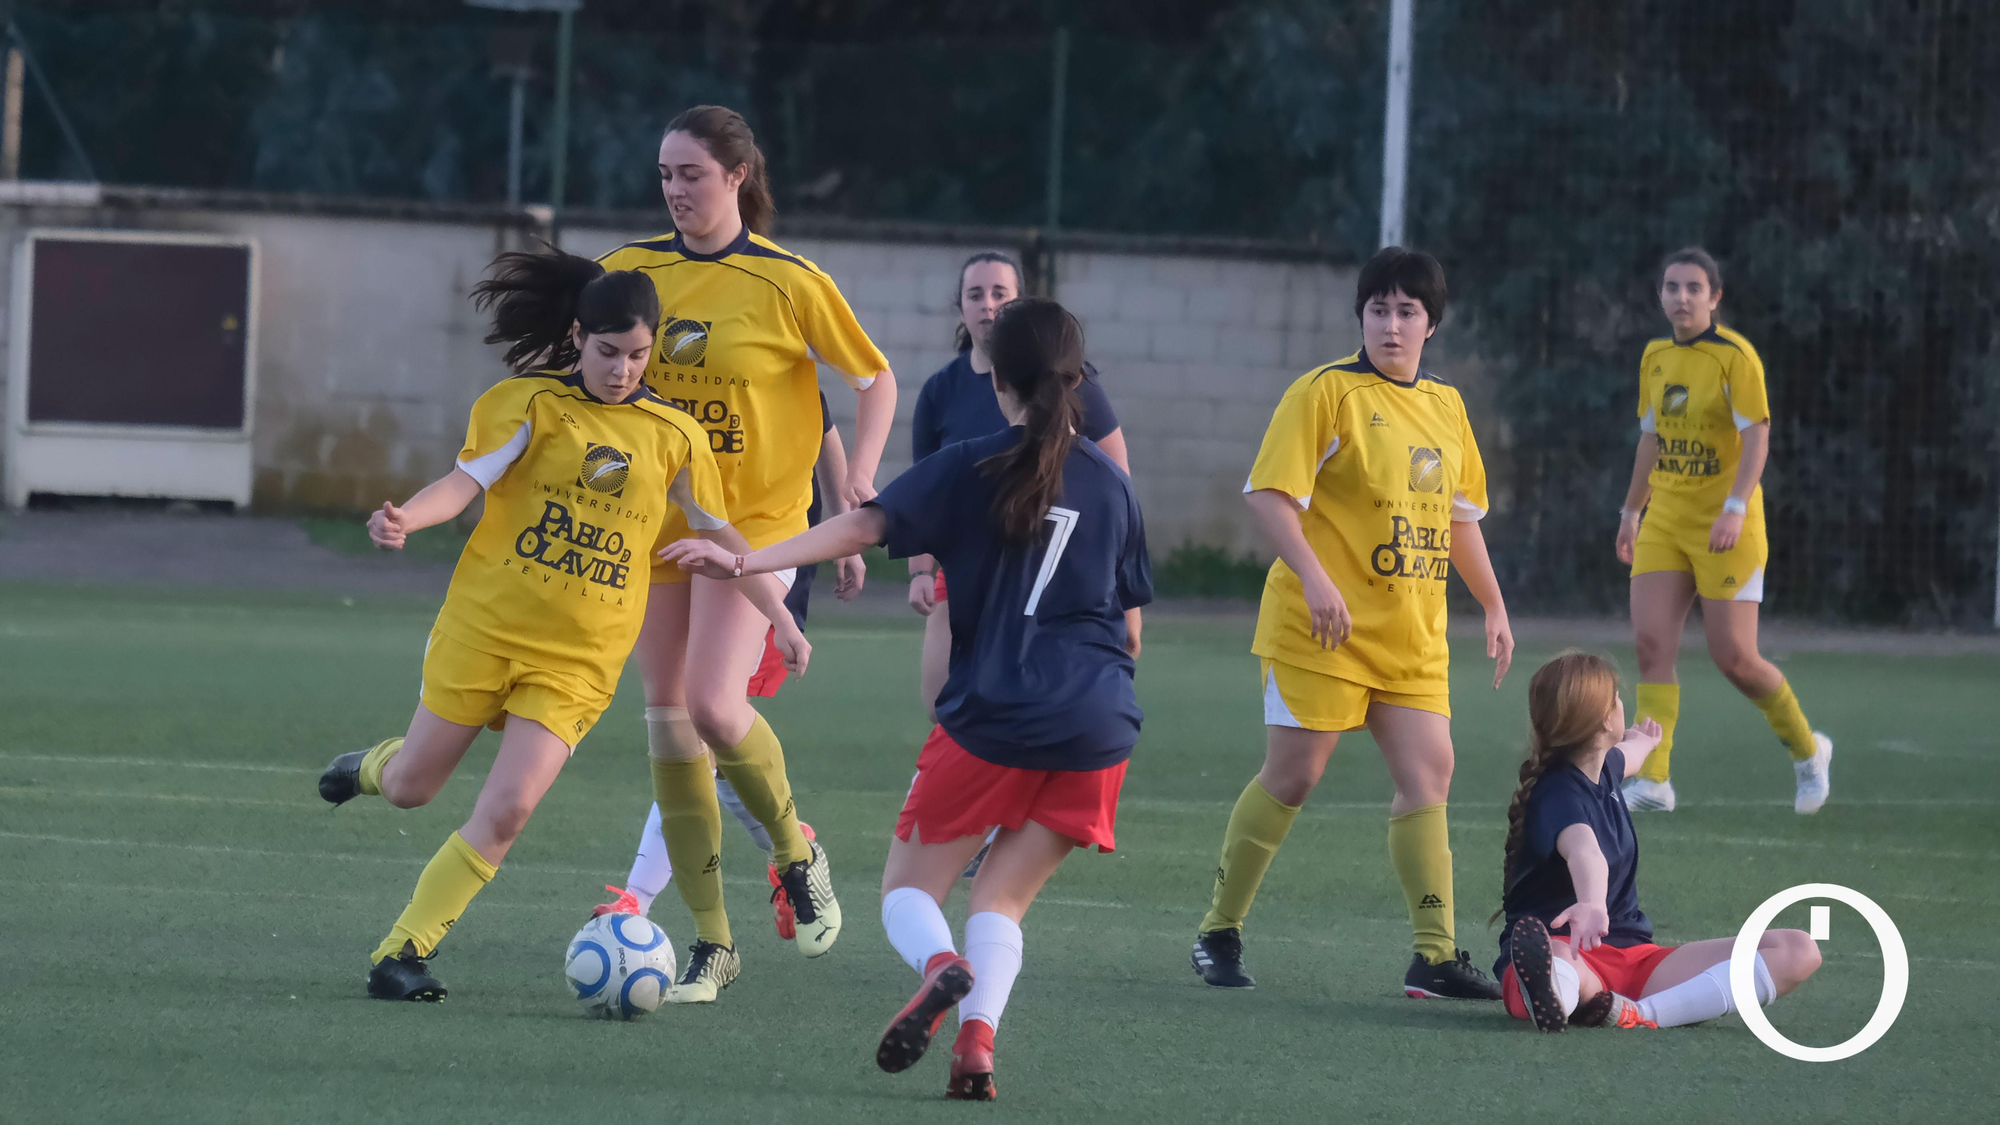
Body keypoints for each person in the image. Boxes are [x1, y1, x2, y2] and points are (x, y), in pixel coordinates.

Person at [662, 296, 1151, 1101]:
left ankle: (940, 966)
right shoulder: (1115, 488)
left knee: (906, 893)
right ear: (1077, 381)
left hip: (993, 715)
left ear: (996, 374)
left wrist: (745, 565)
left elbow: (860, 527)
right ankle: (976, 1048)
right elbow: (1130, 635)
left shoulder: (971, 462)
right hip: (1098, 725)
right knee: (1002, 900)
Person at [313, 248, 804, 1003]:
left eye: (639, 354)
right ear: (579, 336)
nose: (623, 369)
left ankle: (400, 951)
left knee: (508, 809)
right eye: (609, 351)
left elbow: (724, 532)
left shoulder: (674, 434)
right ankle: (376, 765)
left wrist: (777, 614)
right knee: (414, 786)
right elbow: (463, 482)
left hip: (578, 661)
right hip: (486, 628)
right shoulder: (529, 404)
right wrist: (408, 516)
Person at [595, 105, 896, 1000]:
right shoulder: (630, 269)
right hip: (655, 523)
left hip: (758, 527)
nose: (676, 190)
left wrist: (860, 478)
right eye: (664, 175)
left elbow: (873, 378)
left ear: (736, 175)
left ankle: (797, 852)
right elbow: (582, 361)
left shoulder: (788, 280)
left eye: (691, 173)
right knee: (669, 730)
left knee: (716, 708)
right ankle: (712, 941)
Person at [1189, 246, 1514, 1001]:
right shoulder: (1325, 392)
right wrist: (1315, 577)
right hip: (1321, 628)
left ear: (1433, 324)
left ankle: (1433, 956)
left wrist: (1494, 603)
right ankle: (1218, 928)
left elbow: (1460, 518)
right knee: (1296, 774)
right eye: (1378, 309)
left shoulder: (1446, 406)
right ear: (1361, 316)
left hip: (1410, 637)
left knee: (1429, 772)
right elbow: (1269, 494)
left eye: (1407, 311)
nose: (1391, 325)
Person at [594, 393, 862, 938]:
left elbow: (824, 430)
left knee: (705, 722)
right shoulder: (650, 342)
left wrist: (846, 529)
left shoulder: (774, 330)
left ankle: (640, 898)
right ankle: (792, 849)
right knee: (686, 730)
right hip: (673, 541)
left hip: (758, 550)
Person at [1496, 652, 1823, 1032]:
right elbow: (1585, 852)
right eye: (1616, 697)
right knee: (1553, 960)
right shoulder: (1557, 795)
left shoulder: (1603, 770)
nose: (1623, 703)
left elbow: (1625, 757)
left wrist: (1645, 742)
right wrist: (1592, 904)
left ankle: (1639, 1014)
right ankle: (1561, 994)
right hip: (1571, 949)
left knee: (1797, 950)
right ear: (1603, 720)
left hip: (1637, 961)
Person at [1615, 248, 1832, 815]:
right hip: (1667, 518)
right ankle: (1654, 780)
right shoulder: (1655, 356)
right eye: (1671, 287)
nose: (1680, 297)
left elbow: (1757, 436)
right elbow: (1651, 439)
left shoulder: (1735, 357)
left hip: (1725, 522)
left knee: (1734, 657)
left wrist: (1735, 507)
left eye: (1693, 288)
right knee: (1650, 645)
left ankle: (1809, 752)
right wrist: (1631, 512)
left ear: (1715, 297)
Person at [907, 250, 1137, 722]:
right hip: (968, 560)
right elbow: (920, 492)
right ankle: (960, 775)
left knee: (1038, 688)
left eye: (1000, 294)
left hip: (1050, 555)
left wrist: (1119, 577)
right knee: (940, 703)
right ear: (961, 306)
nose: (988, 305)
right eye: (976, 294)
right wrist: (920, 571)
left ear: (1019, 302)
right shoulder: (941, 390)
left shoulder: (1068, 381)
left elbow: (1116, 475)